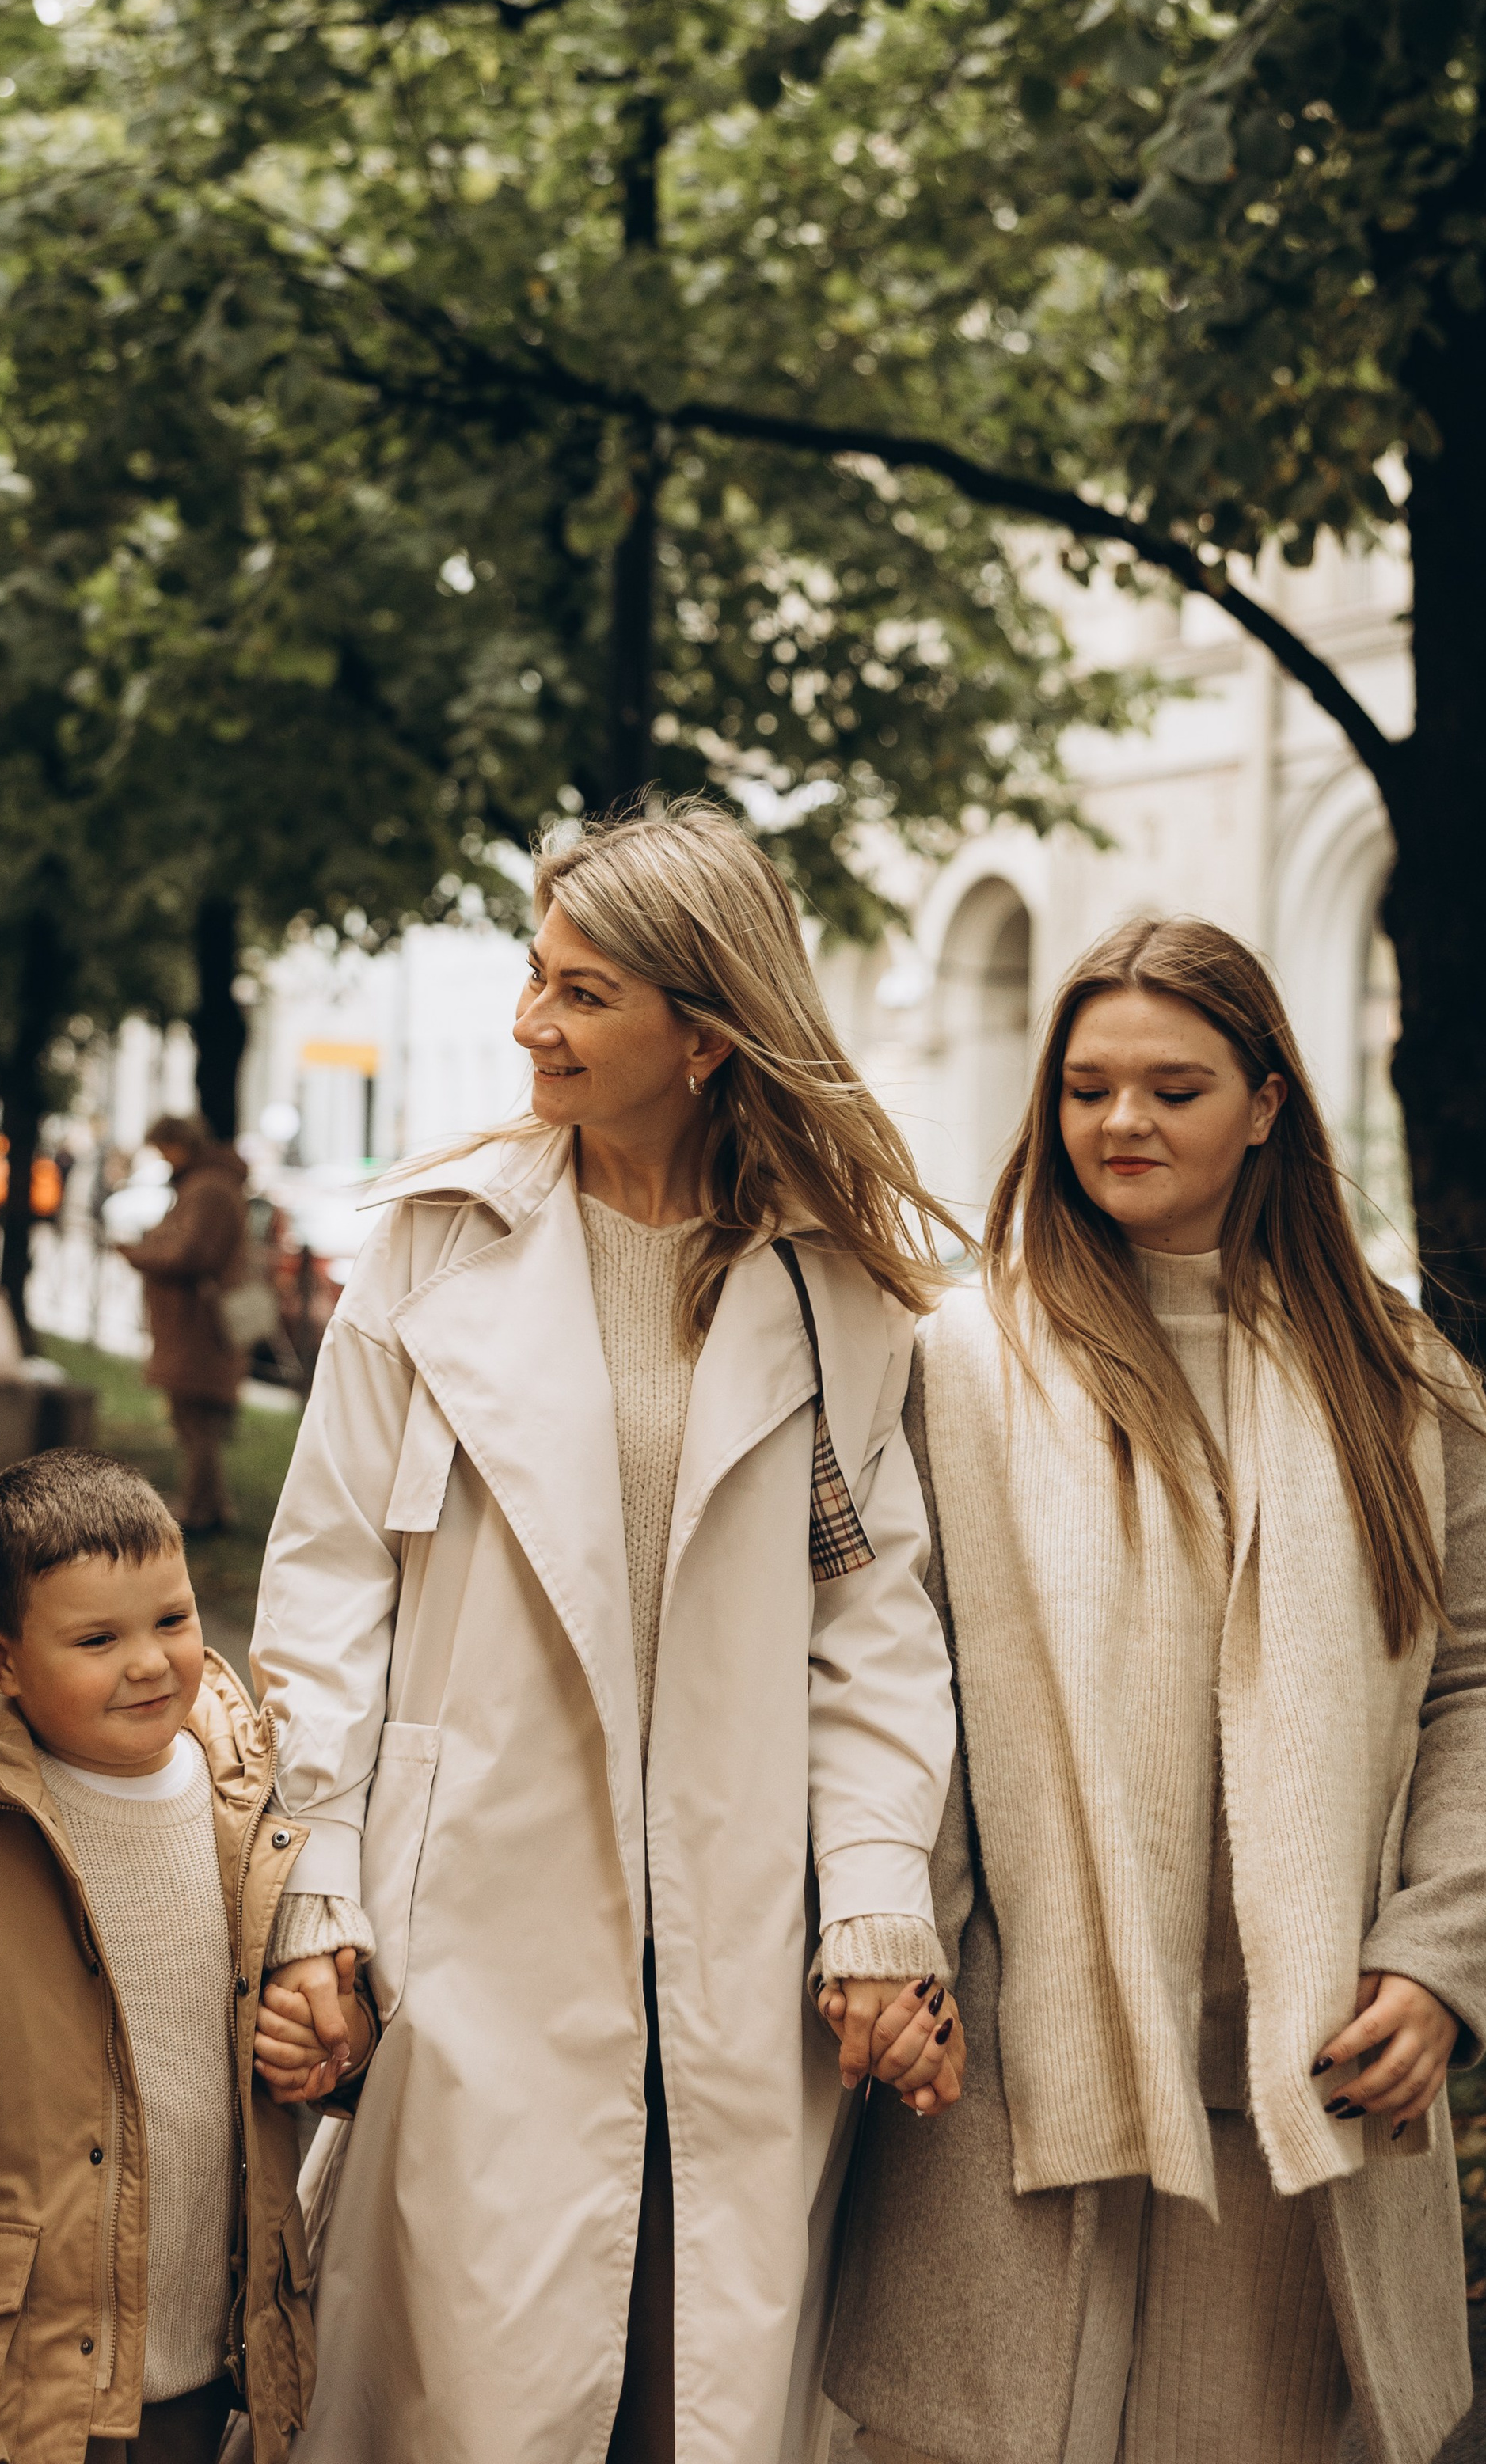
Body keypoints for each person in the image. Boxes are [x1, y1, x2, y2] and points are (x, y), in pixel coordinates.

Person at [249, 800, 966, 2464]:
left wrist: (870, 1903)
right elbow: (323, 1588)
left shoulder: (831, 1292)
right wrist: (312, 1891)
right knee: (475, 2393)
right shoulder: (432, 1248)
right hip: (469, 1933)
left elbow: (868, 1627)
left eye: (580, 993)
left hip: (729, 1950)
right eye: (532, 975)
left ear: (703, 1033)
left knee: (682, 2396)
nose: (528, 1023)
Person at [826, 916, 1486, 2464]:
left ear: (1267, 1102)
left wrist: (1440, 1957)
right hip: (1005, 2079)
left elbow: (1475, 1678)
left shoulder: (1395, 1384)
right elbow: (884, 1676)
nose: (1117, 1124)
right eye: (1084, 1087)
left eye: (1170, 1088)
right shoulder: (960, 1363)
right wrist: (889, 1938)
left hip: (1302, 2086)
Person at [0, 1453, 369, 2464]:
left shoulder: (251, 1807)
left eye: (173, 1622)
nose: (148, 1663)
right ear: (2, 1658)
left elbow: (320, 2001)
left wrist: (330, 2048)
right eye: (97, 1639)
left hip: (196, 2354)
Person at [120, 1115, 251, 1535]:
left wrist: (138, 1253)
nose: (162, 1159)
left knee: (196, 1421)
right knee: (194, 1421)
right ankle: (208, 1506)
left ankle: (201, 1510)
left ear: (181, 1144)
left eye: (164, 1149)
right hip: (196, 1325)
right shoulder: (207, 1184)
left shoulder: (208, 1188)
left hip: (199, 1328)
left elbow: (190, 1253)